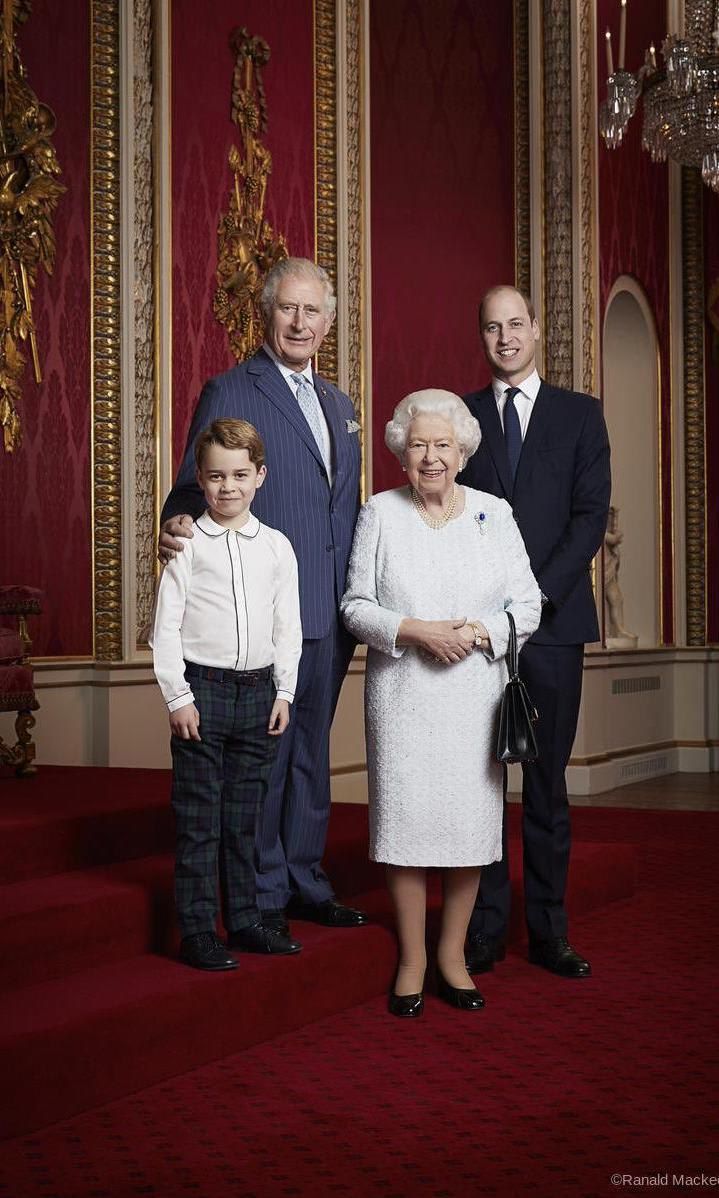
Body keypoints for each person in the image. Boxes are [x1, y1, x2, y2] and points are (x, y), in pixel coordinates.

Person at [159, 258, 367, 941]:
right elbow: (193, 487)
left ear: (328, 323)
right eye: (288, 309)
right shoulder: (232, 389)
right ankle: (259, 894)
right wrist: (178, 521)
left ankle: (305, 879)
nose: (300, 323)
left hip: (332, 610)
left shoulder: (340, 405)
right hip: (265, 609)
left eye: (312, 312)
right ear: (268, 313)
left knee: (311, 753)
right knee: (266, 764)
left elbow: (341, 509)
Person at [341, 390, 541, 1016]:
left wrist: (478, 634)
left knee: (467, 828)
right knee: (404, 825)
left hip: (473, 694)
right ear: (402, 451)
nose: (431, 457)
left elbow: (527, 604)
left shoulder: (495, 513)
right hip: (402, 694)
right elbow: (355, 606)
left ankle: (452, 956)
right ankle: (412, 958)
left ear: (462, 451)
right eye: (419, 445)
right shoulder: (380, 512)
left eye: (443, 445)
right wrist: (417, 631)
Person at [460, 285, 611, 978]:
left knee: (545, 785)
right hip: (479, 632)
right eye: (492, 328)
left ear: (535, 331)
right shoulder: (457, 418)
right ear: (482, 337)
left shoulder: (580, 416)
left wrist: (534, 597)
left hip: (551, 627)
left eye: (514, 324)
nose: (504, 338)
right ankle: (485, 928)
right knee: (483, 784)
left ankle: (548, 931)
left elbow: (588, 520)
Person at [150, 419, 303, 970]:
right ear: (200, 478)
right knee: (198, 818)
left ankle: (243, 920)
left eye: (240, 475)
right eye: (216, 477)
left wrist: (284, 690)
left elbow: (288, 625)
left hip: (258, 693)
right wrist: (177, 697)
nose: (228, 487)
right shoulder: (188, 545)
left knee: (244, 818)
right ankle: (196, 930)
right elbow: (163, 629)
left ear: (260, 476)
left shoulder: (277, 548)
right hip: (203, 692)